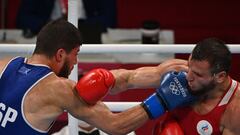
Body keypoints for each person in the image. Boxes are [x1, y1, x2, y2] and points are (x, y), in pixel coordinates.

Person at [0, 19, 195, 135]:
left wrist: (158, 74)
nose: (76, 62)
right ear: (60, 55)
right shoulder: (57, 88)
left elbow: (116, 79)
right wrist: (162, 100)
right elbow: (115, 125)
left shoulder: (5, 64)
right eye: (75, 54)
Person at [153, 38, 240, 135]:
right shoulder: (177, 72)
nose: (188, 77)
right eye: (189, 66)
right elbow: (133, 79)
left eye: (198, 75)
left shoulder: (235, 109)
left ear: (220, 77)